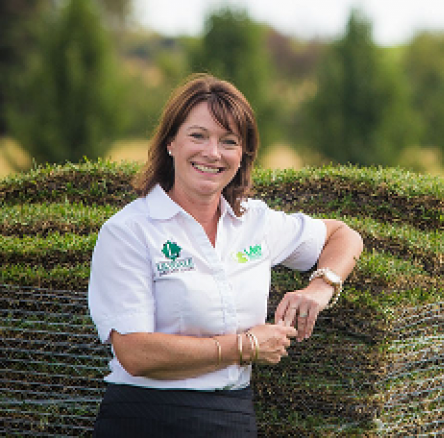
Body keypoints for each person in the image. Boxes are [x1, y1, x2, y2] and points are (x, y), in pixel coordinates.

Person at [88, 73, 363, 437]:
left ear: (242, 154)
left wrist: (320, 287)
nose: (212, 153)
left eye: (228, 141)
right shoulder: (129, 231)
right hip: (146, 416)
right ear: (171, 141)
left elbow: (344, 236)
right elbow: (135, 354)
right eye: (198, 136)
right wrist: (245, 346)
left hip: (232, 415)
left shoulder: (256, 222)